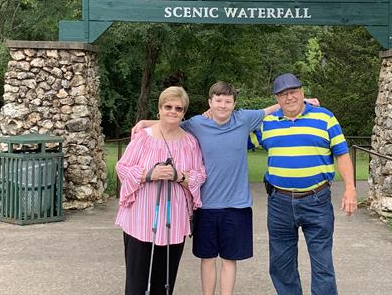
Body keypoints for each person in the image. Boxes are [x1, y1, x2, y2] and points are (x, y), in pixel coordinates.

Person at [133, 81, 283, 295]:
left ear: (234, 104)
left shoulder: (244, 119)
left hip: (237, 205)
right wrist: (145, 123)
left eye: (228, 101)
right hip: (205, 205)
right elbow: (171, 122)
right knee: (208, 258)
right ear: (210, 102)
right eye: (218, 100)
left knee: (230, 259)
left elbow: (271, 109)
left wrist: (304, 101)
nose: (223, 105)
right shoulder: (196, 123)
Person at [253, 73, 357, 295]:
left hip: (316, 201)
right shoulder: (267, 124)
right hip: (279, 203)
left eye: (293, 92)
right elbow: (233, 127)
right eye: (283, 94)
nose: (289, 97)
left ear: (302, 93)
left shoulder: (325, 118)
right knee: (281, 265)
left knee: (322, 265)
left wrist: (350, 189)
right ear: (276, 99)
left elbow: (342, 154)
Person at [116, 86, 206, 295]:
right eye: (168, 107)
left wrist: (179, 176)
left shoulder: (190, 142)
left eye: (178, 108)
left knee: (164, 279)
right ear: (160, 109)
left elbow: (200, 175)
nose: (173, 112)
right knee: (136, 279)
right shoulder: (143, 137)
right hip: (140, 216)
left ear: (184, 112)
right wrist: (149, 174)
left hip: (173, 219)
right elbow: (122, 167)